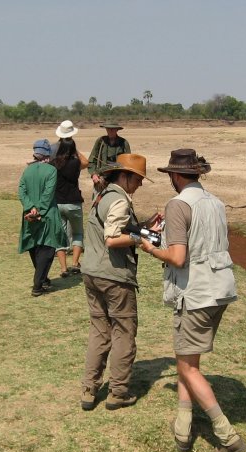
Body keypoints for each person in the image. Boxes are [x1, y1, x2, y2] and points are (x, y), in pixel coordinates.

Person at [139, 148, 246, 452]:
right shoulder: (214, 201)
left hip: (196, 292)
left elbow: (177, 257)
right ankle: (184, 426)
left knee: (186, 366)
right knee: (188, 359)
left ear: (174, 175)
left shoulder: (177, 204)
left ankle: (225, 433)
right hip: (220, 289)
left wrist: (149, 247)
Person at [79, 153, 149, 411]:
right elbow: (112, 238)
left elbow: (111, 228)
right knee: (123, 332)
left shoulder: (103, 195)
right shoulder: (119, 199)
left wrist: (141, 227)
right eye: (138, 179)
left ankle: (89, 389)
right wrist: (143, 239)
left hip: (91, 273)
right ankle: (118, 392)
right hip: (114, 276)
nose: (140, 184)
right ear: (125, 176)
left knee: (99, 330)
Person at [18, 139, 66, 297]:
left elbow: (22, 191)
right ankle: (37, 285)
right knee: (48, 248)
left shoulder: (27, 170)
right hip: (46, 215)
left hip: (29, 215)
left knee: (34, 245)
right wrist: (39, 210)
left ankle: (43, 279)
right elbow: (48, 193)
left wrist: (30, 208)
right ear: (48, 154)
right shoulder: (51, 171)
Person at [52, 137, 85, 276]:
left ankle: (63, 268)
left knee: (60, 236)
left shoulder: (55, 163)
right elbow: (87, 162)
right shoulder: (76, 162)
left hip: (58, 203)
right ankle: (75, 263)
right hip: (73, 202)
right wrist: (75, 149)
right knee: (77, 234)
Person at [87, 122, 130, 197]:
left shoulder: (124, 143)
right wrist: (94, 175)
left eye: (113, 129)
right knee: (98, 202)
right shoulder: (100, 141)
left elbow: (128, 164)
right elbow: (92, 160)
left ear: (117, 130)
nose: (110, 131)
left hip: (118, 179)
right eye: (108, 129)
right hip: (101, 178)